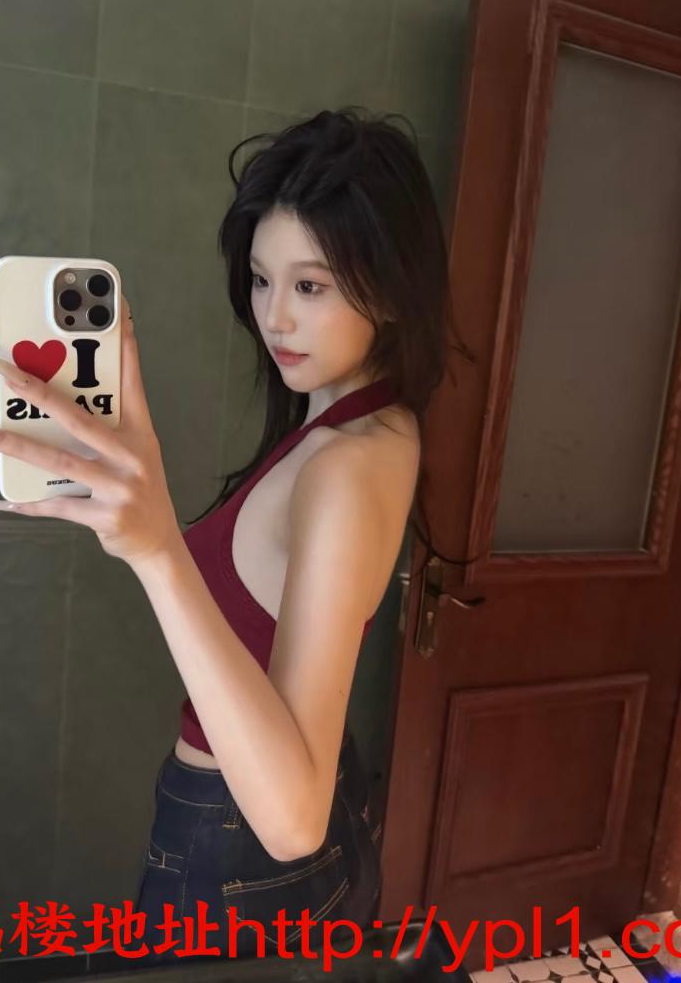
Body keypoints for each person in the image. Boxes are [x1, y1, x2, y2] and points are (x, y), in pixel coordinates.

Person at [129, 106, 470, 966]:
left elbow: (290, 822)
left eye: (310, 287)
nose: (274, 318)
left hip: (239, 854)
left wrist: (154, 547)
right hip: (275, 841)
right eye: (259, 280)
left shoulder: (347, 465)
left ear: (387, 287)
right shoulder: (369, 418)